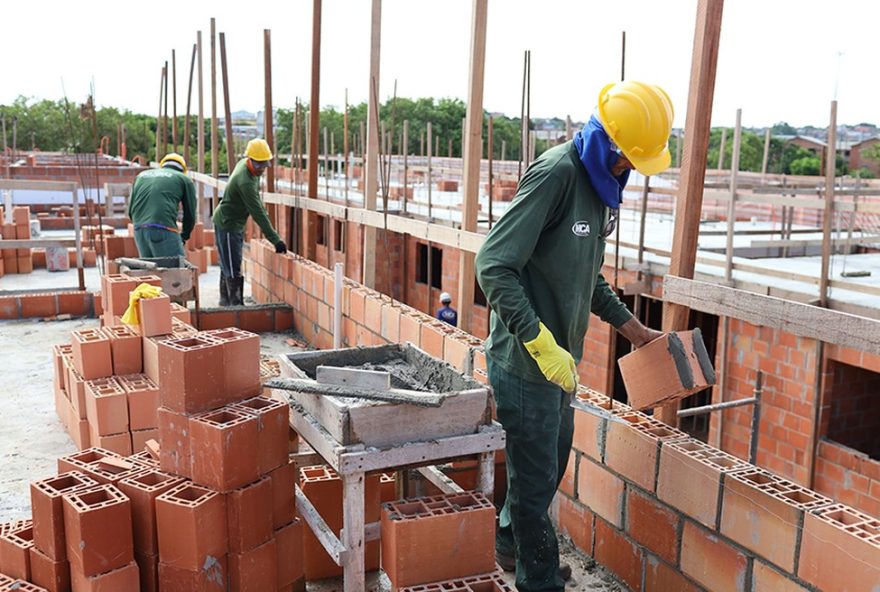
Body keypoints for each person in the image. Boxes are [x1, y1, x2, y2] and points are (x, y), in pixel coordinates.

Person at [474, 81, 673, 592]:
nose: (630, 171)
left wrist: (633, 329)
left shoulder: (597, 187)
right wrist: (539, 342)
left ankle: (510, 544)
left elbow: (585, 276)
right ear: (608, 142)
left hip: (558, 362)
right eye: (628, 159)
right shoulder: (557, 175)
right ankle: (538, 579)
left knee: (543, 466)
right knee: (537, 477)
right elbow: (493, 266)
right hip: (526, 361)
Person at [213, 138, 287, 306]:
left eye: (264, 164)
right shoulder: (245, 181)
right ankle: (235, 305)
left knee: (228, 262)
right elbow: (258, 213)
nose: (262, 169)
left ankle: (225, 301)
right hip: (228, 224)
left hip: (232, 222)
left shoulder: (247, 166)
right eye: (259, 164)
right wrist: (275, 240)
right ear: (251, 159)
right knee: (232, 266)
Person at [128, 152, 196, 258]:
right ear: (183, 169)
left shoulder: (141, 176)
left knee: (149, 272)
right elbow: (190, 214)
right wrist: (184, 236)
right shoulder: (184, 179)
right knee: (176, 271)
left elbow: (130, 210)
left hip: (139, 230)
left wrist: (142, 226)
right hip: (163, 228)